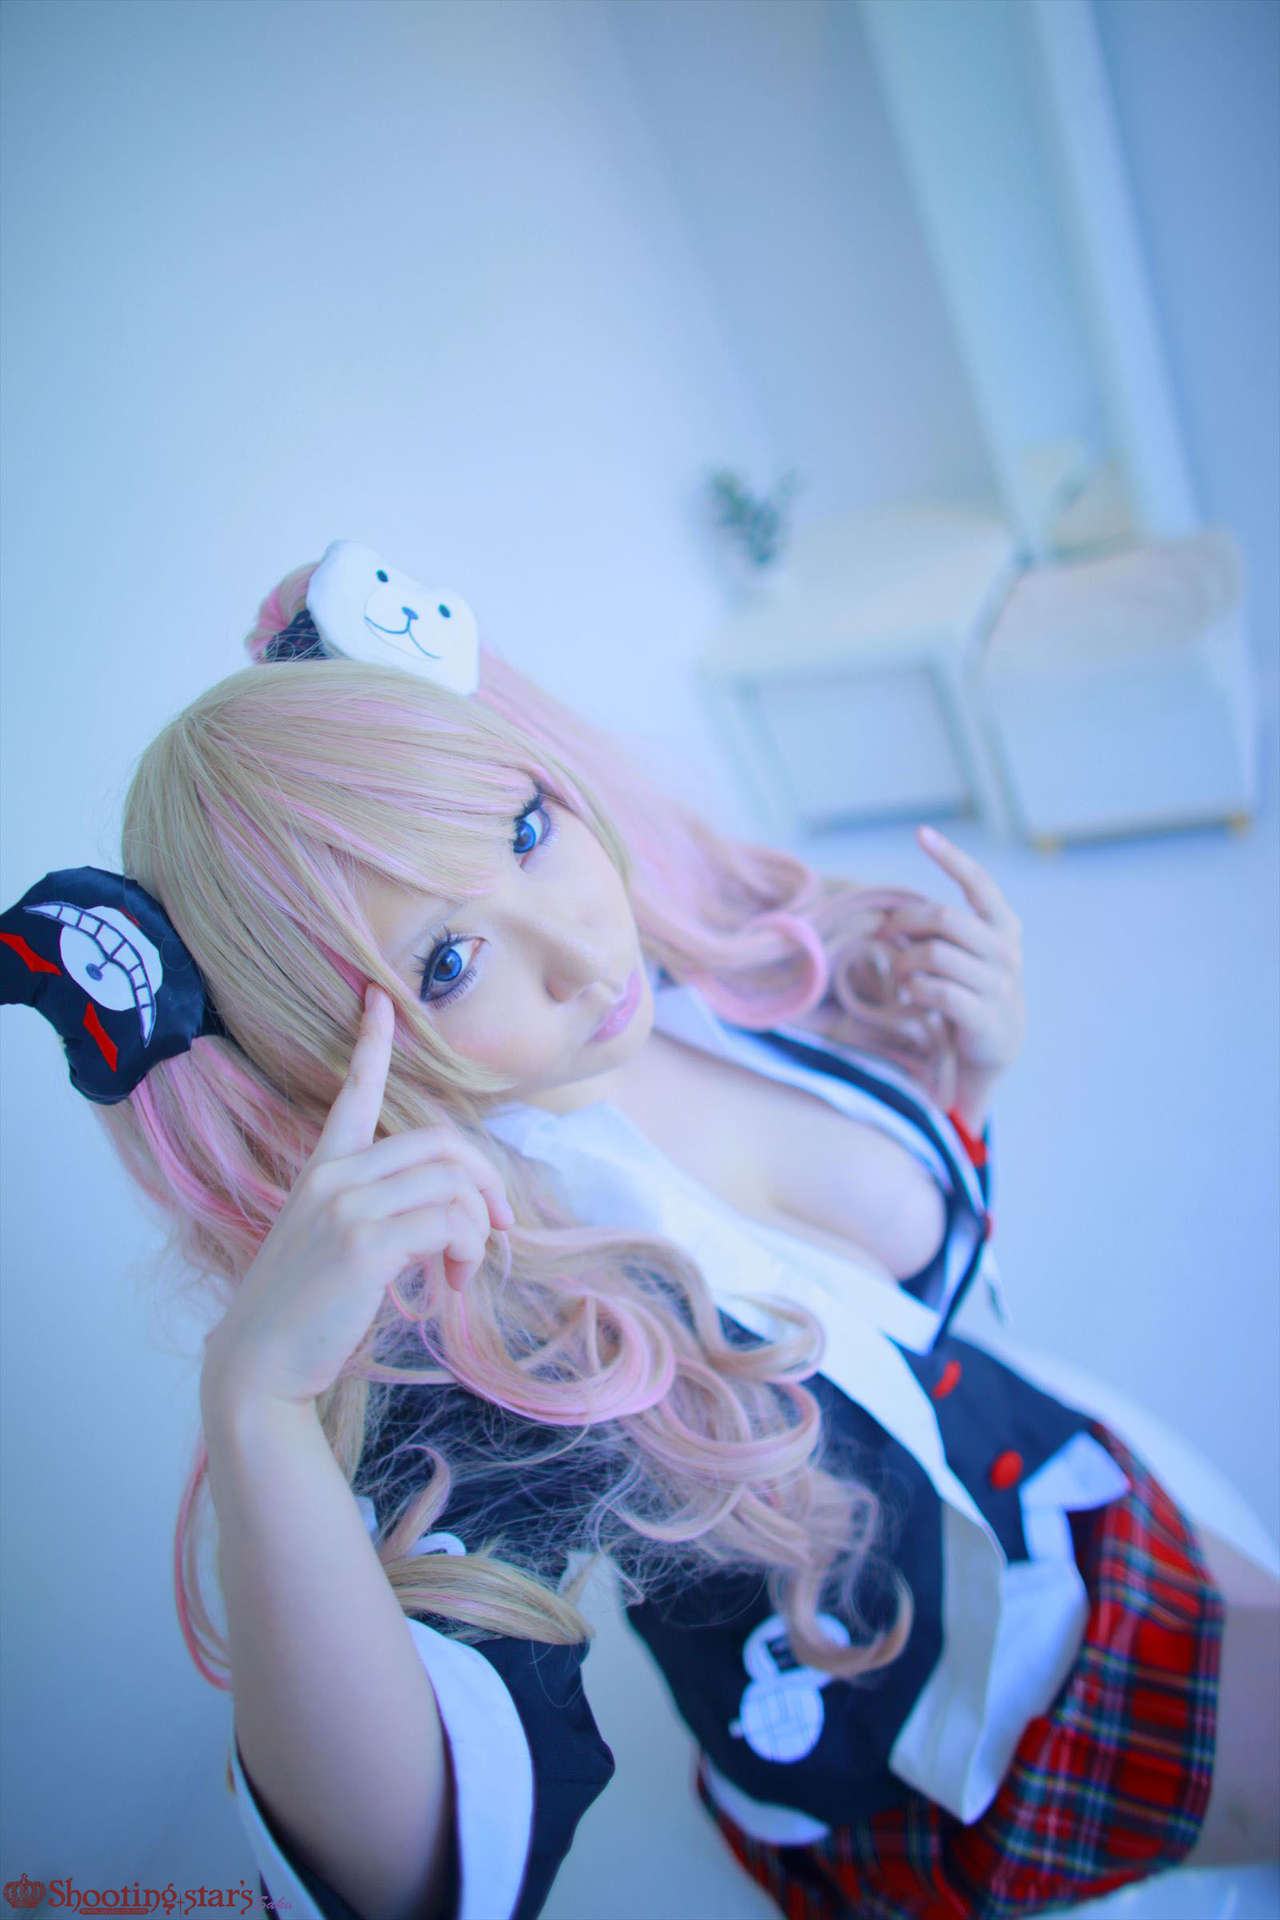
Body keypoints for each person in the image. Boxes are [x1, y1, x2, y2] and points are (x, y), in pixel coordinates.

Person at [3, 539, 1276, 1920]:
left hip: (1063, 1477)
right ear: (322, 1051)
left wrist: (965, 1083)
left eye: (526, 831)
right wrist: (258, 1409)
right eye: (450, 960)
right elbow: (412, 1877)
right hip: (974, 1741)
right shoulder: (489, 1310)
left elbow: (897, 1303)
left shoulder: (681, 983)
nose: (580, 945)